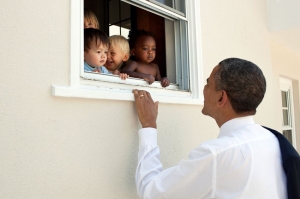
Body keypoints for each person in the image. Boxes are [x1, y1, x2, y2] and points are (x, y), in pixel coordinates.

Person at [132, 58, 287, 199]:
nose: (204, 89)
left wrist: (149, 126)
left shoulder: (217, 154)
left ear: (221, 97)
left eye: (208, 83)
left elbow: (150, 191)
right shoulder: (272, 140)